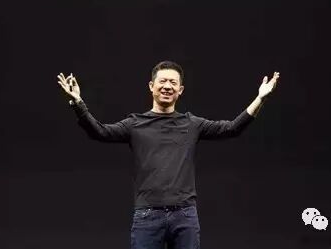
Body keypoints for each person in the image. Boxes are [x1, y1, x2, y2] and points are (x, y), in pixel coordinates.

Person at [57, 61, 280, 249]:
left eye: (173, 83)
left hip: (185, 216)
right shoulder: (135, 124)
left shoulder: (192, 124)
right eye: (162, 81)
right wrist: (78, 103)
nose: (167, 86)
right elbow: (100, 132)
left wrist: (260, 98)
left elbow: (232, 128)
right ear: (151, 86)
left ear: (180, 90)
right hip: (147, 216)